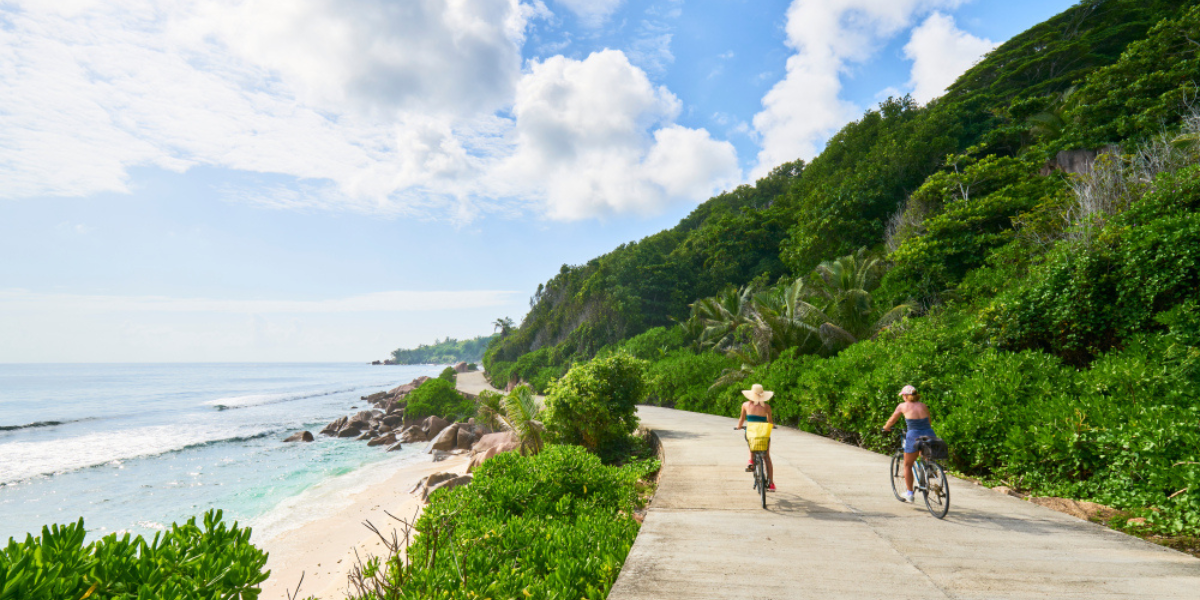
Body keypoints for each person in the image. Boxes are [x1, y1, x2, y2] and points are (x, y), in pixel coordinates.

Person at [883, 384, 936, 502]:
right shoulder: (923, 406)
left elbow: (892, 420)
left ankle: (910, 493)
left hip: (913, 435)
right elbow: (929, 421)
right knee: (926, 457)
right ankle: (929, 470)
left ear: (906, 396)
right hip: (929, 433)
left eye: (903, 396)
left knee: (907, 464)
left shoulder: (902, 406)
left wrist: (886, 427)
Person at [735, 383, 775, 492]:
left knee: (751, 443)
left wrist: (739, 427)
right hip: (763, 433)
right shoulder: (767, 407)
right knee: (766, 457)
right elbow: (770, 421)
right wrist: (772, 426)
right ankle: (771, 483)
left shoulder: (745, 405)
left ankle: (751, 461)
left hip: (751, 432)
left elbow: (741, 419)